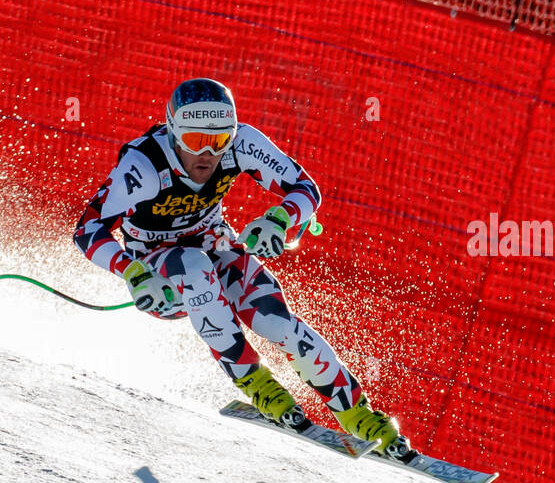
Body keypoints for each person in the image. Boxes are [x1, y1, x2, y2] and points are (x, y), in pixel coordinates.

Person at [73, 77, 406, 455]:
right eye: (197, 141)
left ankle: (357, 413)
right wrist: (132, 274)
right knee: (196, 268)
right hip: (158, 265)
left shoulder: (242, 143)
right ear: (172, 132)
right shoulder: (145, 165)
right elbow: (88, 229)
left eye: (219, 141)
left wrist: (279, 219)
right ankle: (258, 384)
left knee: (274, 321)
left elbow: (305, 188)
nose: (209, 155)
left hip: (215, 240)